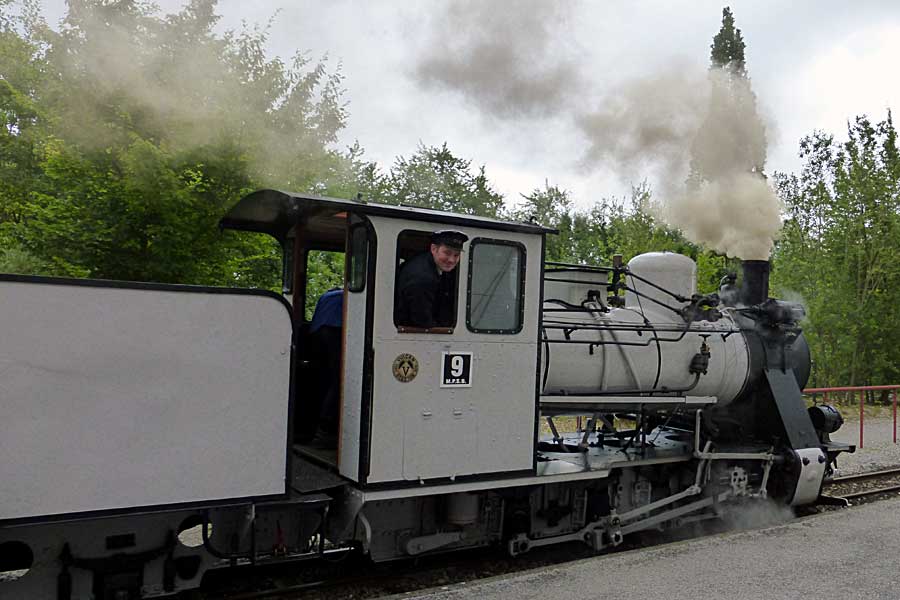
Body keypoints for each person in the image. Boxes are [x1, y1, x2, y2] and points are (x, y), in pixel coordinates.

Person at [395, 230, 468, 328]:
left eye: (456, 255)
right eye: (447, 253)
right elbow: (422, 320)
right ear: (433, 249)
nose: (451, 260)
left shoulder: (427, 263)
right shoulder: (423, 278)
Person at [307, 287, 343, 449]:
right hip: (334, 332)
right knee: (339, 382)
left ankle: (315, 428)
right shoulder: (344, 297)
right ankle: (325, 431)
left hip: (316, 335)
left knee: (326, 379)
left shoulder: (327, 296)